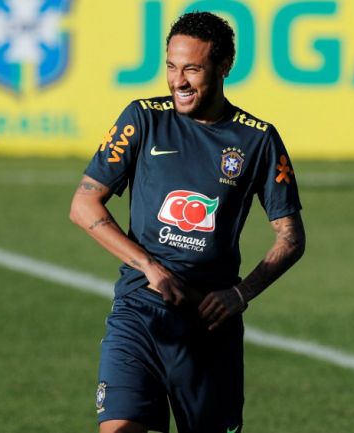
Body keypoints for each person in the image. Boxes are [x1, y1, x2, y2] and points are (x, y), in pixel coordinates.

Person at [69, 11, 306, 433]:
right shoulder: (143, 118)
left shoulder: (257, 139)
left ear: (224, 67)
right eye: (171, 67)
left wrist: (240, 292)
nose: (178, 81)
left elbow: (290, 237)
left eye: (192, 69)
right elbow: (84, 205)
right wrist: (150, 268)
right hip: (139, 312)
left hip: (209, 326)